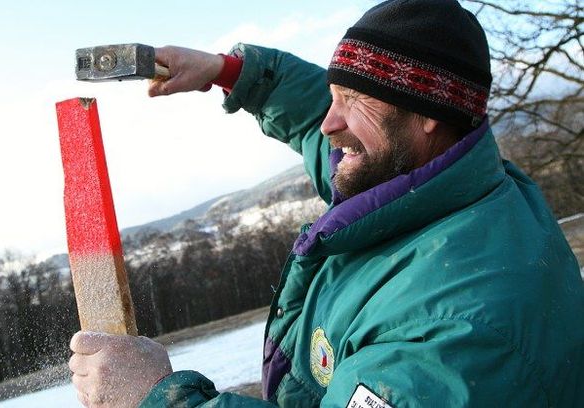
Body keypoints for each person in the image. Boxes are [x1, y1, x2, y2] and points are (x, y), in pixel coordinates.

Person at [68, 0, 584, 406]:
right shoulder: (436, 186)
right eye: (334, 95)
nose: (328, 122)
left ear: (429, 113)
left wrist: (154, 398)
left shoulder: (458, 330)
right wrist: (225, 70)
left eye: (352, 102)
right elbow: (328, 118)